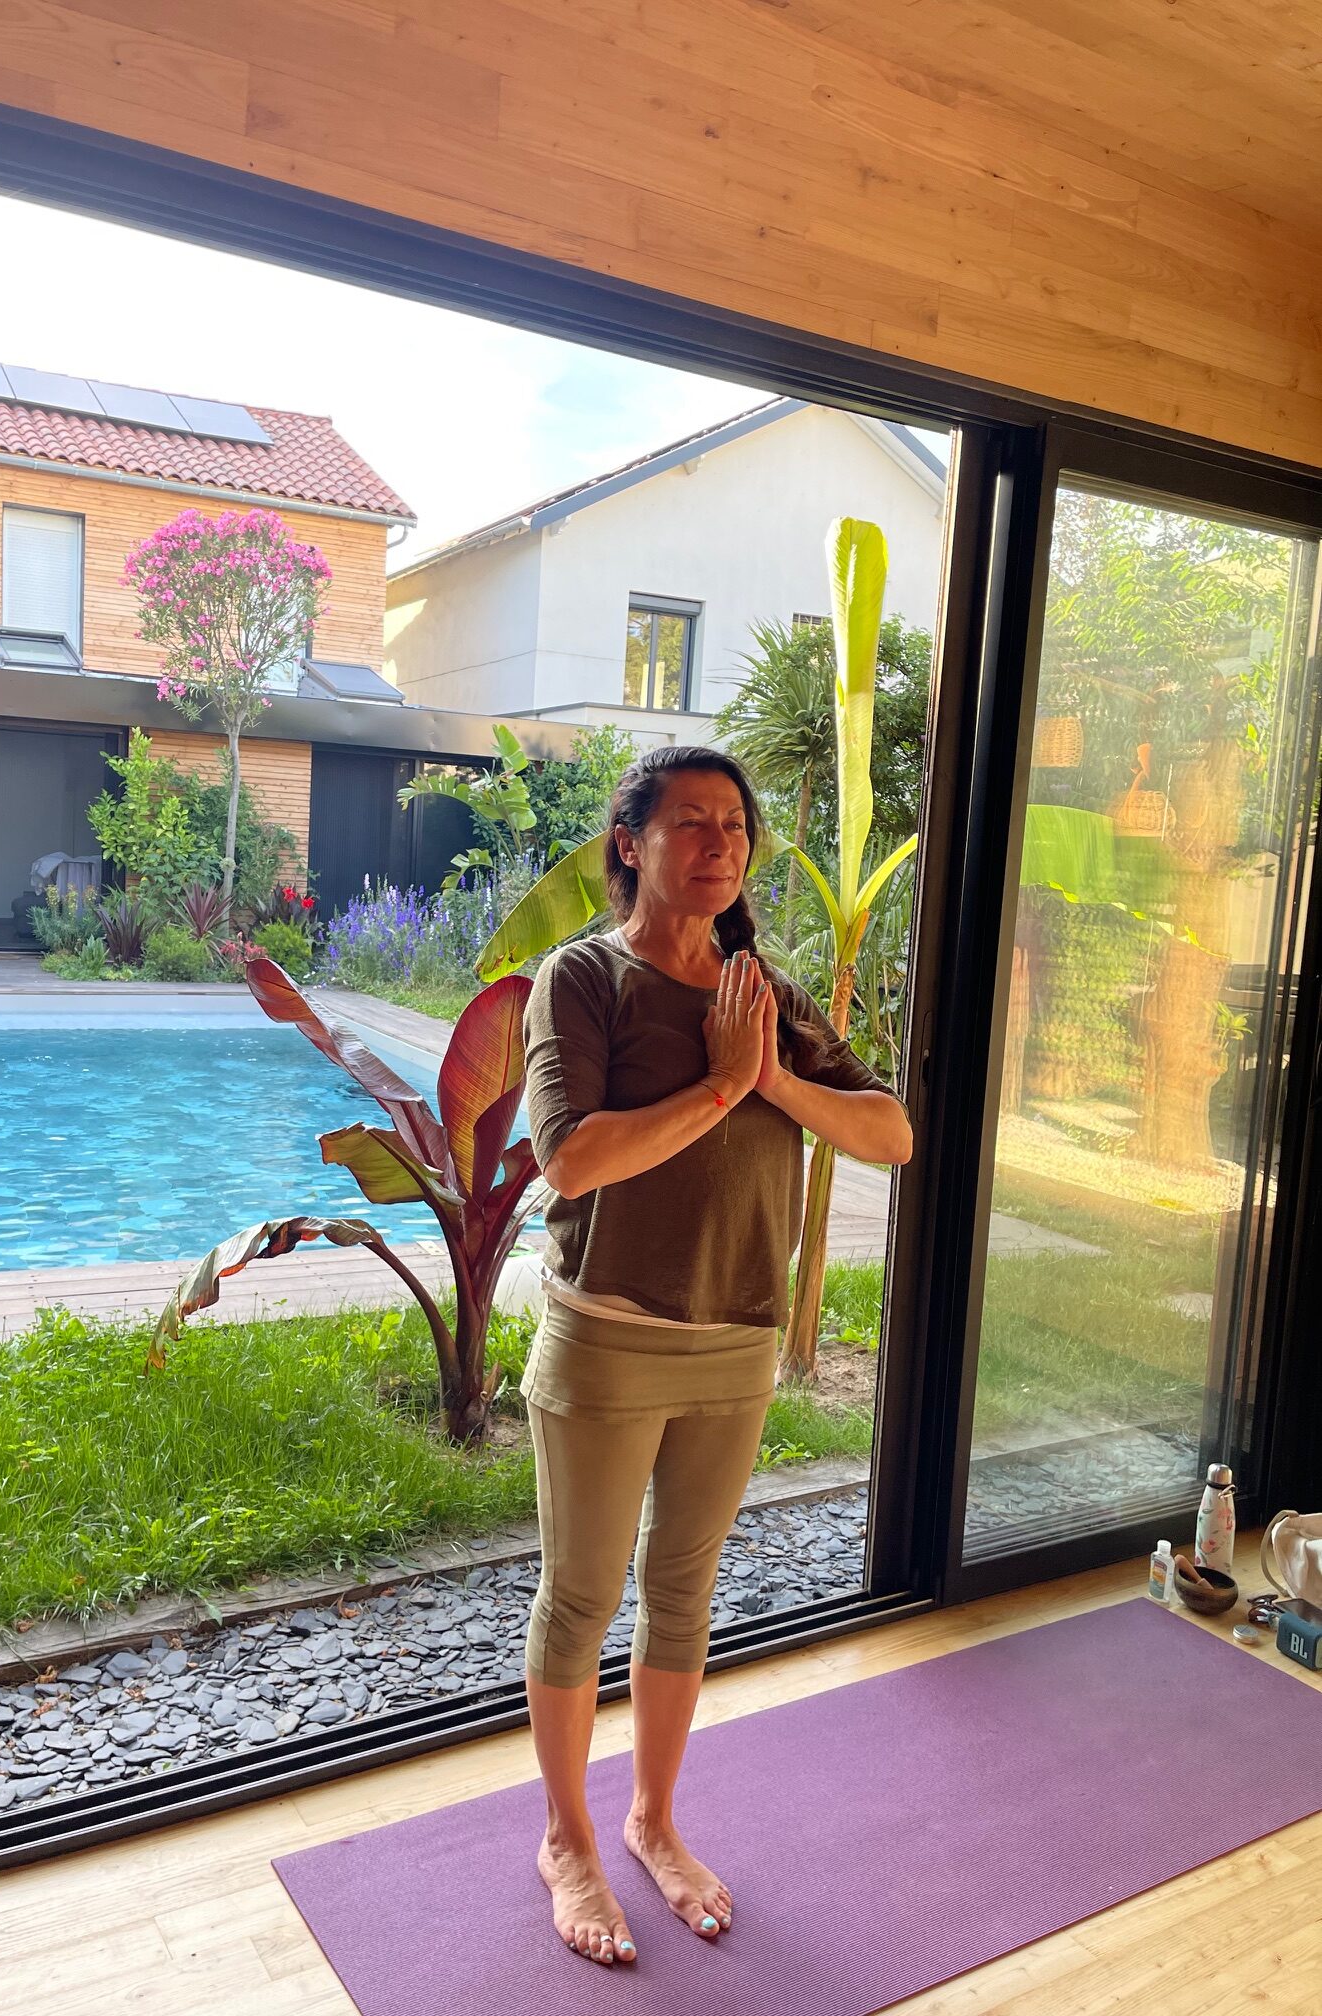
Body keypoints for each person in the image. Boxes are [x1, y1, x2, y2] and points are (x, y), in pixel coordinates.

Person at [520, 744, 913, 1968]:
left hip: (737, 1339)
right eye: (690, 821)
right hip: (611, 1336)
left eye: (734, 824)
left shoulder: (763, 994)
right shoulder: (583, 979)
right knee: (582, 1598)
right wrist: (718, 1088)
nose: (720, 843)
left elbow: (889, 1133)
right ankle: (568, 1840)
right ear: (629, 844)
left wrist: (768, 1078)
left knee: (684, 1594)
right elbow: (570, 1158)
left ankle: (652, 1819)